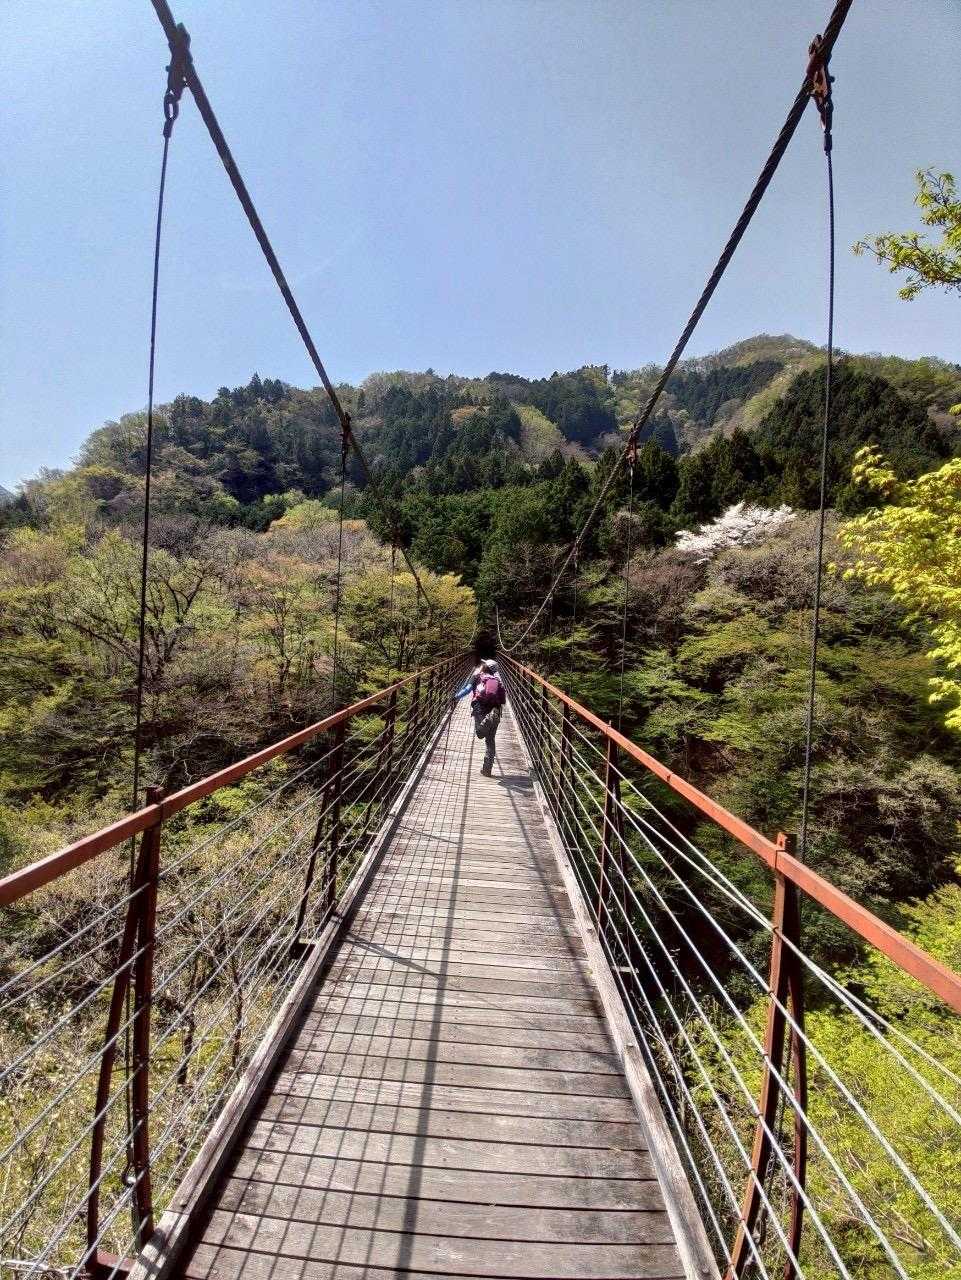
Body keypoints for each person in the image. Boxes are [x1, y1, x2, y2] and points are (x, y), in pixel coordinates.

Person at [453, 658, 507, 776]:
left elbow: (467, 690)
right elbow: (503, 700)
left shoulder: (477, 676)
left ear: (485, 667)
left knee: (479, 733)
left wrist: (455, 697)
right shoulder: (497, 680)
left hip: (480, 707)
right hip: (496, 709)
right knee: (490, 740)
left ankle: (487, 720)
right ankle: (487, 769)